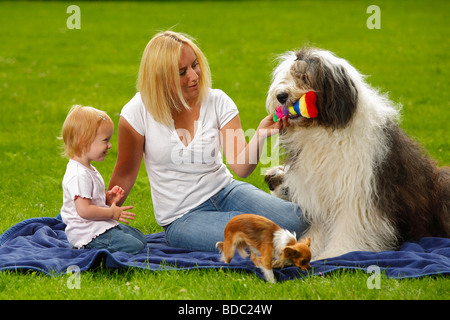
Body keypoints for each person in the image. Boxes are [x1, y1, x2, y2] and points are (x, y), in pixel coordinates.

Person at [108, 31, 308, 252]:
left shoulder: (218, 101)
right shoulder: (137, 112)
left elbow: (241, 168)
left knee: (300, 222)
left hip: (226, 191)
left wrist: (260, 134)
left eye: (195, 65)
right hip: (182, 218)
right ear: (160, 78)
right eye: (182, 72)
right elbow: (124, 175)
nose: (194, 76)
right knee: (255, 236)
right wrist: (101, 218)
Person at [60, 105, 147, 254]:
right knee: (134, 246)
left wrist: (107, 200)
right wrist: (111, 213)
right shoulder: (78, 175)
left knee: (141, 239)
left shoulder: (88, 169)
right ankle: (88, 248)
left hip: (97, 225)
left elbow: (91, 202)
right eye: (105, 140)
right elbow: (84, 210)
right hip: (86, 233)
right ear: (83, 141)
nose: (110, 145)